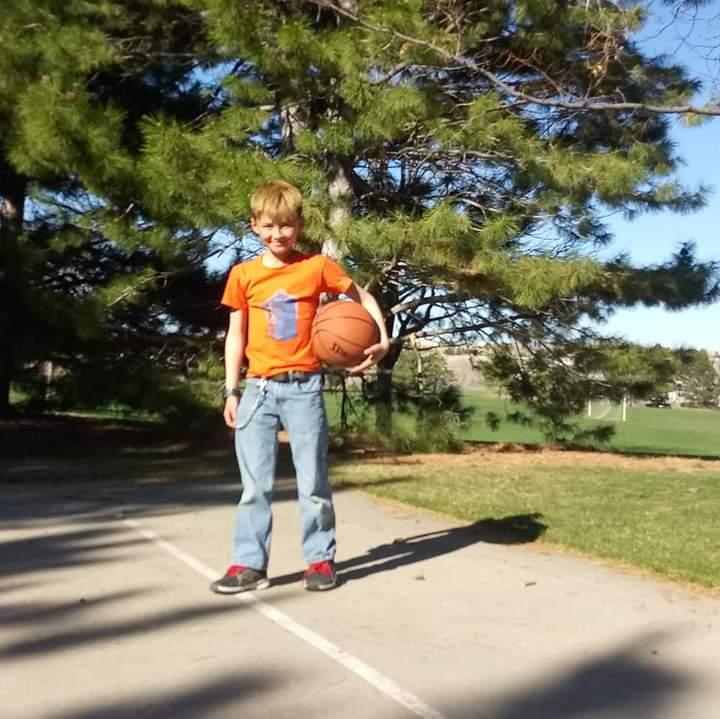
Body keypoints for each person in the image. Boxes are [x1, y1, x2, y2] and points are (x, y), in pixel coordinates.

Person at [210, 180, 389, 594]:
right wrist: (231, 390)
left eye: (287, 225)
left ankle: (320, 560)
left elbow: (362, 297)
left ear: (300, 225)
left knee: (313, 482)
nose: (278, 234)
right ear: (254, 225)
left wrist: (381, 337)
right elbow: (235, 335)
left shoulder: (317, 267)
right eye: (269, 226)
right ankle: (249, 564)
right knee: (255, 486)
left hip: (304, 388)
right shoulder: (243, 275)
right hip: (257, 389)